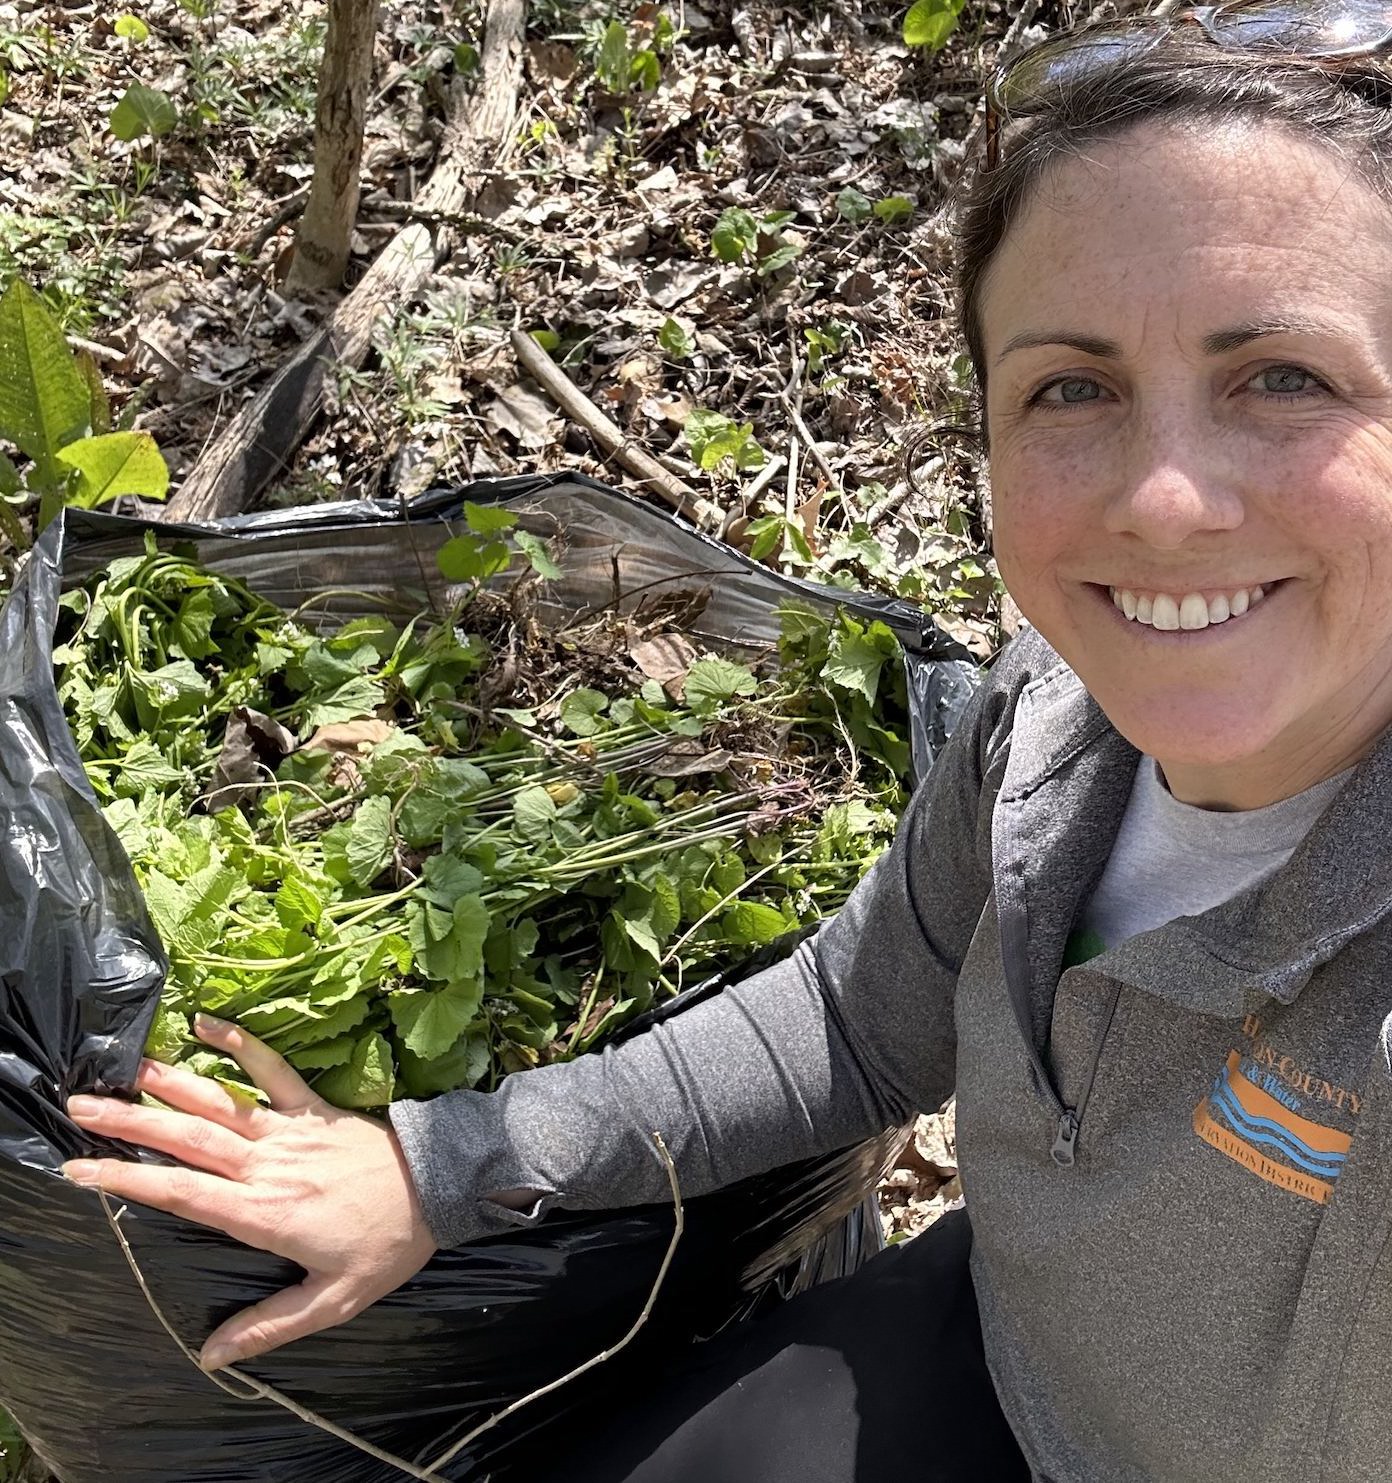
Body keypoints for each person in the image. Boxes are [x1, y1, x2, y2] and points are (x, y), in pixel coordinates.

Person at [54, 1, 1392, 1476]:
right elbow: (849, 1024)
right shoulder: (1045, 735)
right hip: (1005, 1350)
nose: (1164, 500)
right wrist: (437, 1173)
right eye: (1072, 388)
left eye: (1285, 377)